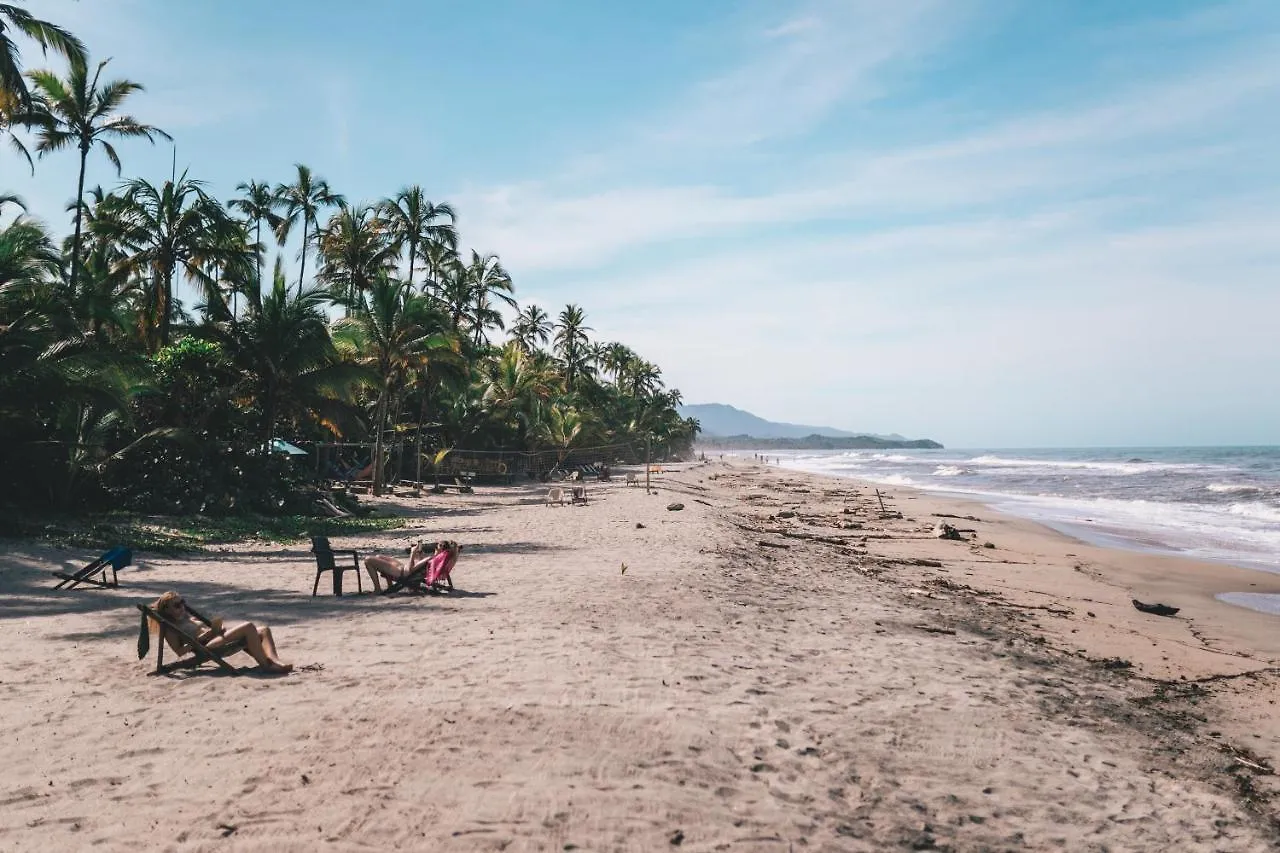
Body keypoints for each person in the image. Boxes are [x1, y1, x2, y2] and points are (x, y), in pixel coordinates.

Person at [149, 591, 292, 673]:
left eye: (182, 603)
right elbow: (179, 652)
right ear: (167, 609)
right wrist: (200, 639)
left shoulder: (186, 617)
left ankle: (274, 660)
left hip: (215, 638)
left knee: (264, 630)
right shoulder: (170, 628)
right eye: (177, 605)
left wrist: (215, 630)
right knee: (248, 627)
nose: (182, 607)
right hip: (205, 646)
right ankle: (267, 666)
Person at [363, 542, 434, 592]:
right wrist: (419, 555)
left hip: (401, 572)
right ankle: (390, 587)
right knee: (378, 557)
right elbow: (417, 566)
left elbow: (411, 569)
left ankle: (377, 589)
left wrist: (412, 553)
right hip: (401, 568)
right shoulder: (432, 558)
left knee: (368, 560)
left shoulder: (429, 558)